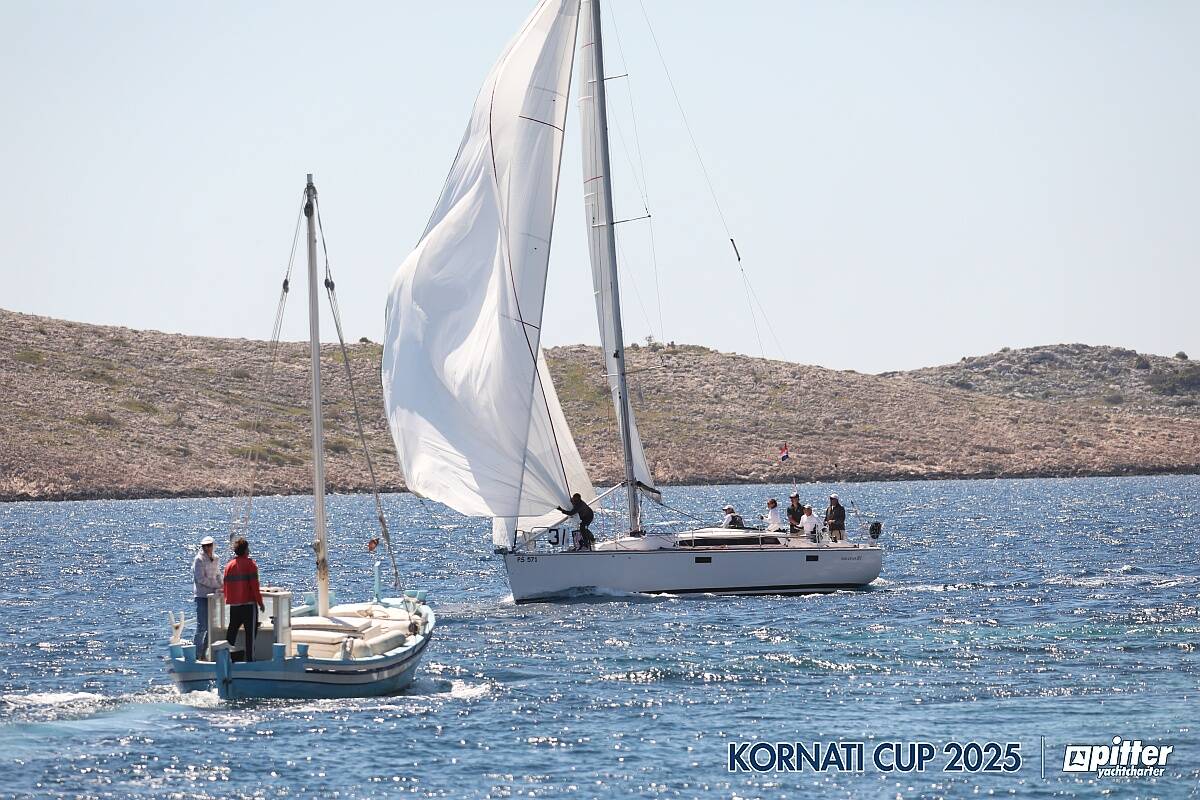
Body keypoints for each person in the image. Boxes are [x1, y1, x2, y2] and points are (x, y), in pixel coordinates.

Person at [223, 537, 265, 662]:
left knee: (231, 633)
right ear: (246, 550)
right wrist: (260, 602)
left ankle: (225, 659)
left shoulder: (229, 566)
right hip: (248, 605)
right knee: (250, 635)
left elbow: (225, 586)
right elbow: (254, 586)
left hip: (234, 605)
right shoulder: (250, 564)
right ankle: (250, 660)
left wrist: (228, 598)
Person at [191, 536, 221, 659]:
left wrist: (223, 585)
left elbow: (218, 574)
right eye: (204, 546)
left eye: (209, 545)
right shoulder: (198, 560)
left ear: (213, 545)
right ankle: (196, 654)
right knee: (202, 625)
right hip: (202, 596)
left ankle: (204, 653)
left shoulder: (216, 558)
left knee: (211, 627)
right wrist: (216, 585)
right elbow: (200, 579)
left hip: (213, 596)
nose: (207, 548)